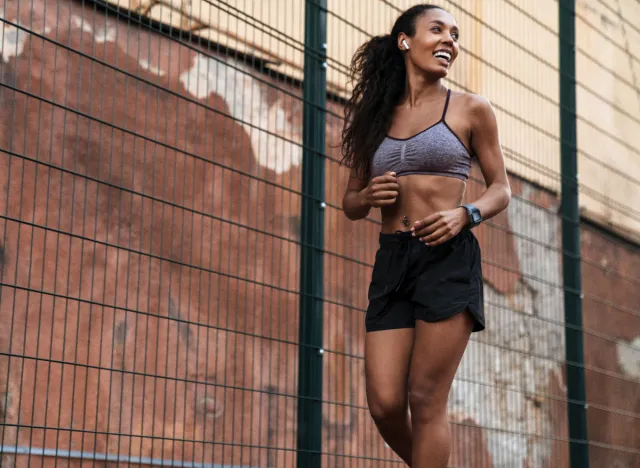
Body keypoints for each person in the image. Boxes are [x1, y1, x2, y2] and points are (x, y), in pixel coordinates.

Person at [340, 4, 511, 468]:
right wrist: (369, 194)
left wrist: (466, 214)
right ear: (404, 41)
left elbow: (501, 190)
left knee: (425, 398)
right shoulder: (374, 117)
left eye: (454, 35)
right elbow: (351, 203)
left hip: (447, 256)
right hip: (393, 258)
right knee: (384, 402)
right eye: (437, 30)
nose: (449, 41)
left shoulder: (471, 108)